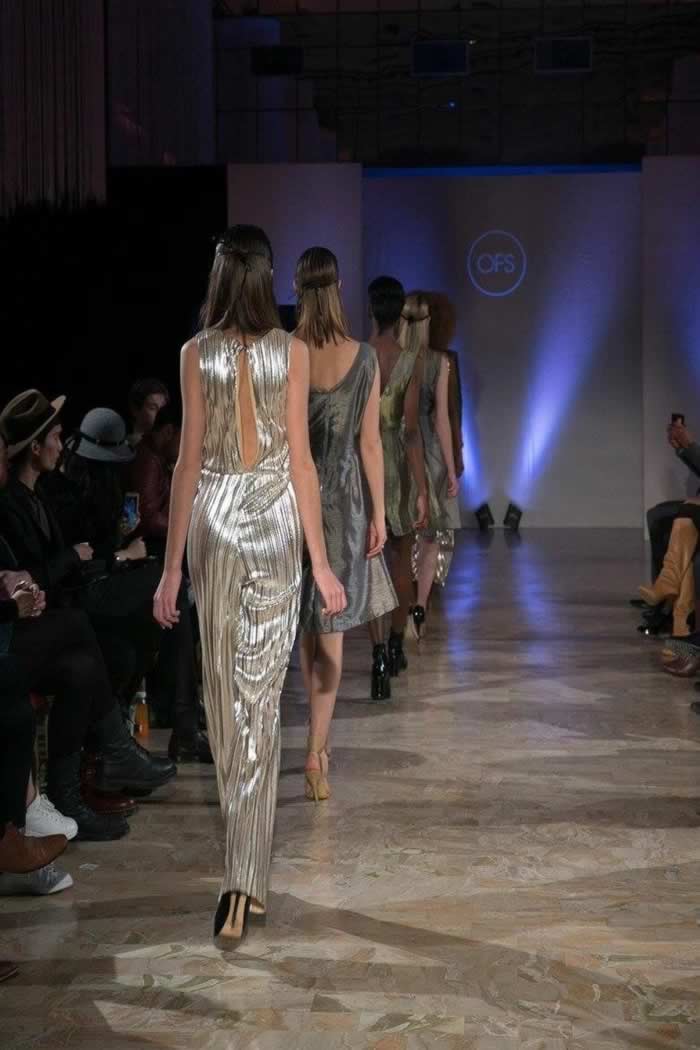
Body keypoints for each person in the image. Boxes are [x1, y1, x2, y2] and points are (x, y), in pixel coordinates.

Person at [153, 224, 346, 948]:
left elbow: (189, 465)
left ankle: (241, 878)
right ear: (266, 277)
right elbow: (300, 464)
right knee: (246, 705)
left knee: (234, 707)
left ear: (219, 277)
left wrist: (172, 568)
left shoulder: (198, 353)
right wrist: (319, 561)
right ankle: (244, 876)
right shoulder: (284, 352)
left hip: (222, 526)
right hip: (263, 529)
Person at [0, 396, 177, 841]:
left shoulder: (40, 496)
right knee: (88, 626)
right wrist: (76, 560)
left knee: (88, 664)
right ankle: (115, 751)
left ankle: (70, 795)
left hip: (46, 621)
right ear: (35, 447)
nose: (62, 445)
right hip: (20, 632)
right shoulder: (12, 503)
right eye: (56, 437)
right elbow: (36, 573)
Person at [52, 408, 208, 763]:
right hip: (83, 593)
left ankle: (147, 727)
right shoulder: (66, 493)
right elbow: (79, 559)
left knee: (161, 609)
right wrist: (122, 556)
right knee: (168, 589)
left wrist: (122, 550)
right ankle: (181, 724)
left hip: (103, 582)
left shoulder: (99, 485)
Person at [295, 247, 396, 794]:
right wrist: (379, 512)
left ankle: (317, 741)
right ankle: (316, 750)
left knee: (306, 626)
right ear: (338, 289)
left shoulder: (287, 352)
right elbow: (370, 444)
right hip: (343, 502)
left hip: (293, 499)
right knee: (331, 628)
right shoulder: (363, 357)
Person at [367, 276, 428, 682]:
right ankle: (394, 645)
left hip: (365, 461)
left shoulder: (359, 356)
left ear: (371, 310)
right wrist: (422, 488)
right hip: (399, 466)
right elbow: (411, 430)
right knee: (403, 559)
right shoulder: (410, 360)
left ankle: (378, 658)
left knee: (371, 561)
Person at [398, 292, 460, 640]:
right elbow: (441, 420)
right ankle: (419, 606)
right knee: (430, 534)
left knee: (403, 535)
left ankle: (406, 606)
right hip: (431, 452)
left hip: (398, 448)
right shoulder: (440, 362)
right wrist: (450, 468)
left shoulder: (389, 358)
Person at [127, 401, 181, 560]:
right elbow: (149, 519)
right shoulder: (147, 461)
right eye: (187, 439)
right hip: (145, 551)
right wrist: (185, 529)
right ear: (169, 431)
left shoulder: (160, 458)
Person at [127, 378, 170, 449]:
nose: (160, 415)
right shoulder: (126, 447)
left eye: (162, 409)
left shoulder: (168, 446)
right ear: (135, 410)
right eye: (153, 408)